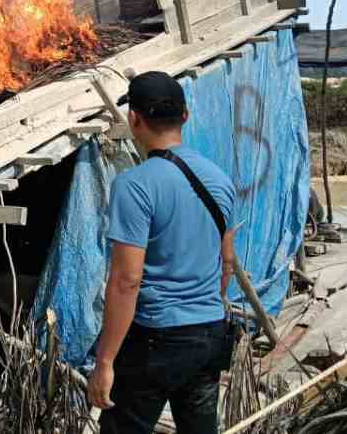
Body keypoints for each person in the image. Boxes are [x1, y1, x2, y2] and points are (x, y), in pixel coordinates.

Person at [87, 71, 237, 434]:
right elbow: (227, 263)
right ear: (185, 116)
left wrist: (105, 361)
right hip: (209, 334)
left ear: (134, 119)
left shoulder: (134, 186)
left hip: (156, 339)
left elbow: (126, 280)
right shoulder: (220, 178)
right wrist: (204, 308)